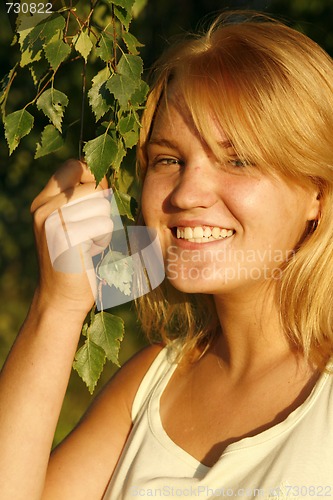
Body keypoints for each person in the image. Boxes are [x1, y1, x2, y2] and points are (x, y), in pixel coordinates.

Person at [1, 10, 333, 499]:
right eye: (169, 160)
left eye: (238, 158)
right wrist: (58, 307)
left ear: (317, 194)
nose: (185, 193)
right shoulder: (148, 384)